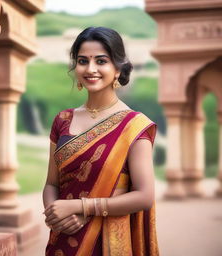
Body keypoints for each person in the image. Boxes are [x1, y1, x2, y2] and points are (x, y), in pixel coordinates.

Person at [43, 27, 159, 256]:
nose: (91, 69)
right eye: (83, 61)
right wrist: (55, 214)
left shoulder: (133, 125)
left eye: (101, 61)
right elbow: (52, 184)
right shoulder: (62, 120)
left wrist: (80, 207)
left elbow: (145, 196)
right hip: (63, 240)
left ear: (117, 69)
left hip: (109, 243)